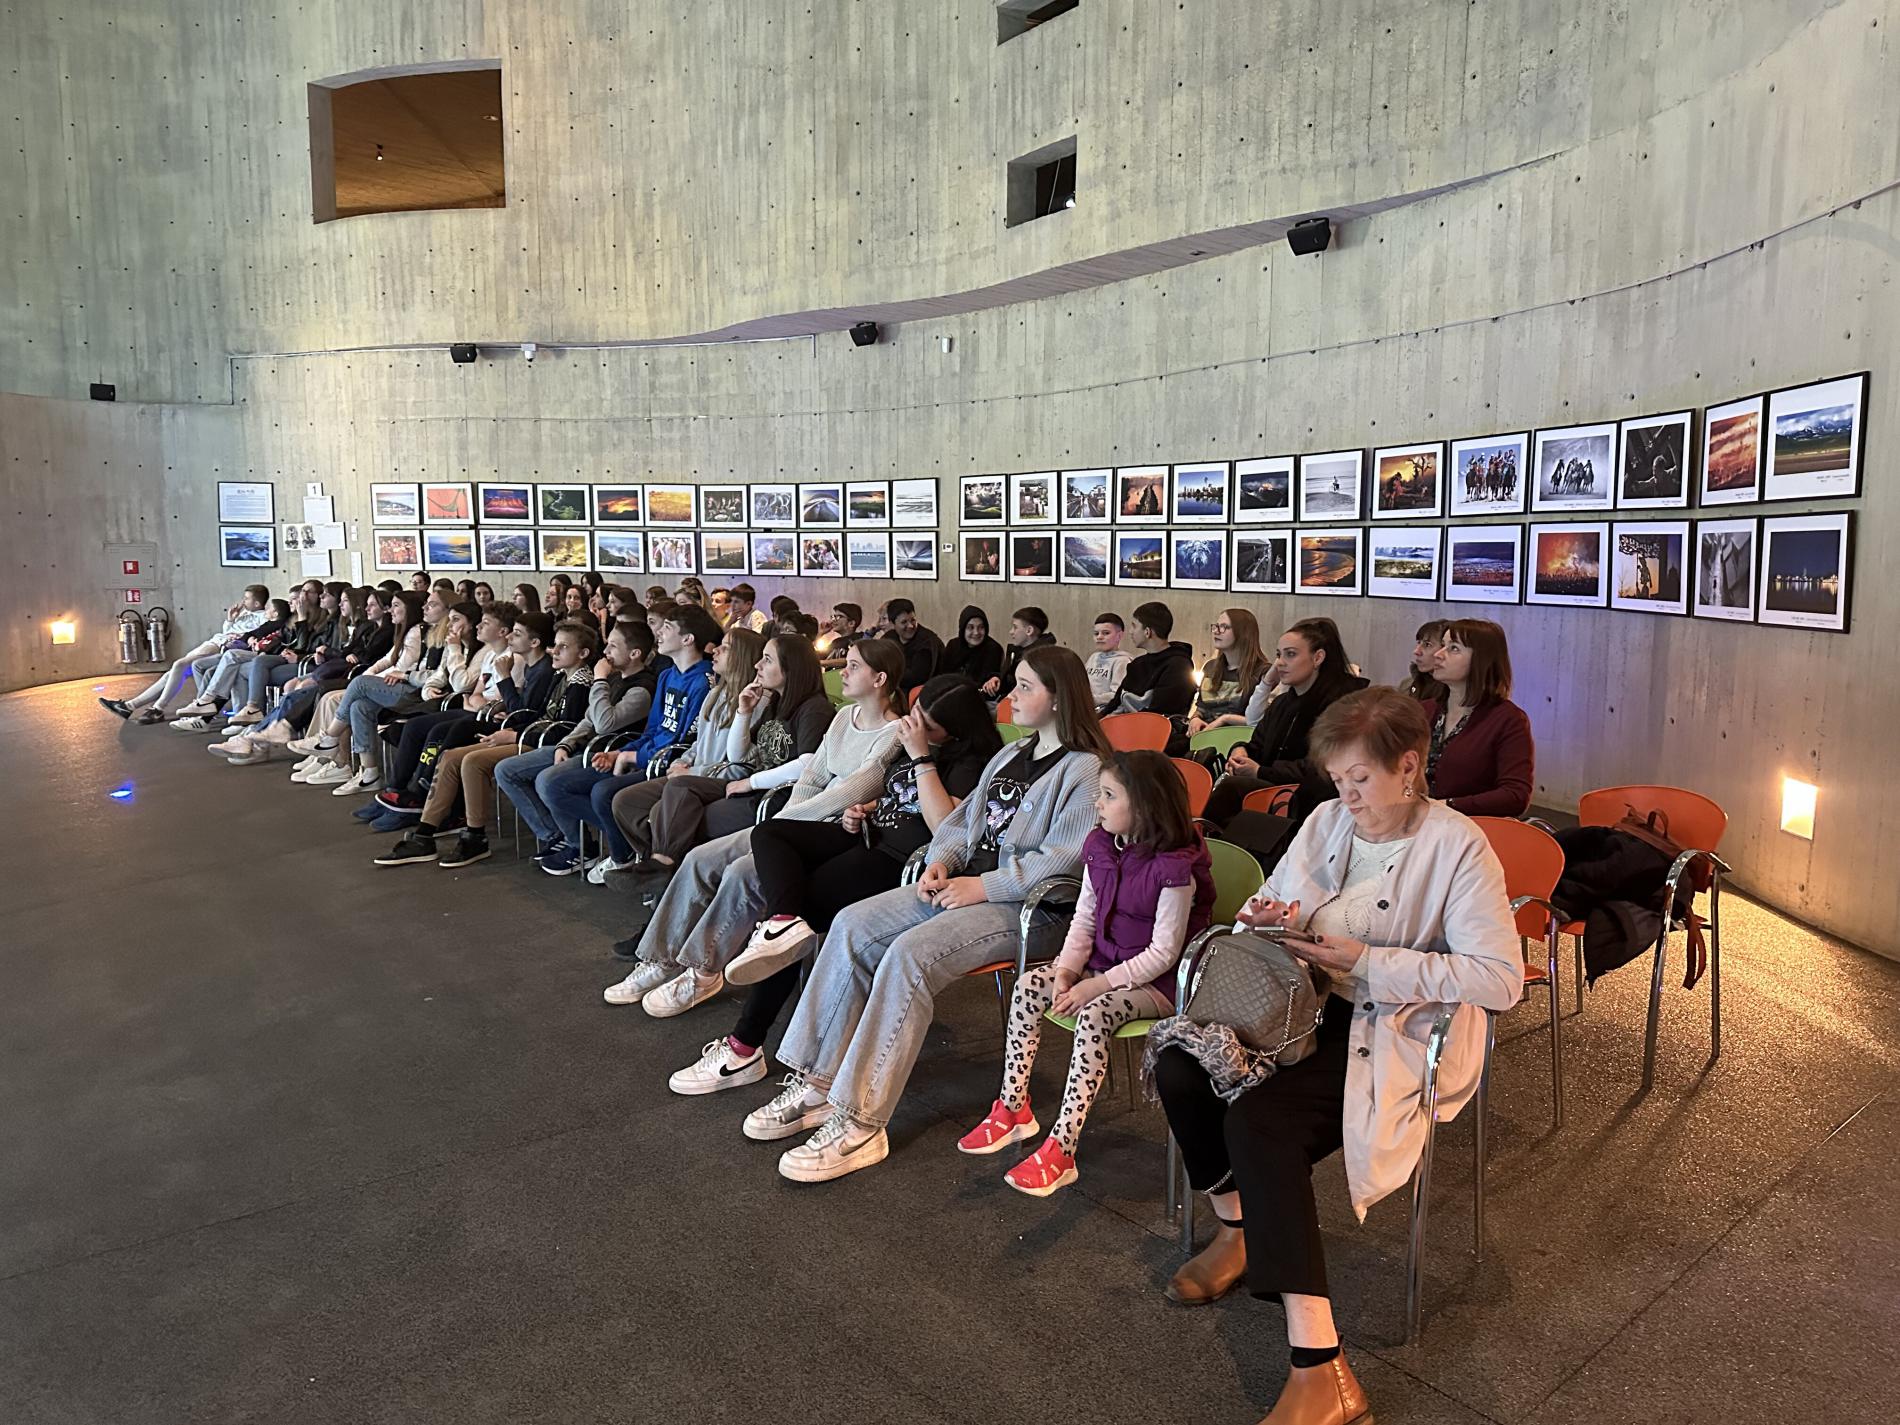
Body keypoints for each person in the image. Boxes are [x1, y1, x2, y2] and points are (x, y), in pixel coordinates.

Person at [1150, 688, 1521, 1424]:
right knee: (1180, 1067)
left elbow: (1500, 979)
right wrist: (1269, 919)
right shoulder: (1326, 821)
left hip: (1388, 1030)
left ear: (1408, 767)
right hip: (1299, 1010)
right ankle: (1240, 1228)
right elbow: (1273, 906)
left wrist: (1369, 961)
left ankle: (1323, 1368)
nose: (1345, 795)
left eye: (1359, 778)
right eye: (1337, 778)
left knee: (1260, 1124)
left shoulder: (1456, 846)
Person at [753, 645, 1112, 1182]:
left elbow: (1064, 860)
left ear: (1060, 699)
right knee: (852, 925)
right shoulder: (1013, 755)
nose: (1012, 697)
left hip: (1032, 909)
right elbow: (963, 824)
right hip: (970, 888)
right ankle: (819, 1084)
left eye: (1026, 687)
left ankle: (861, 1123)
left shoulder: (1086, 769)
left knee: (909, 955)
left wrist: (982, 885)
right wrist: (942, 861)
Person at [668, 675, 1003, 1095]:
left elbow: (944, 826)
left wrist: (921, 757)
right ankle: (783, 922)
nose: (914, 726)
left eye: (928, 724)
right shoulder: (916, 744)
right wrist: (865, 809)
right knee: (771, 833)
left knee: (806, 908)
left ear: (954, 731)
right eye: (916, 713)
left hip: (896, 860)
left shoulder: (968, 762)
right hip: (865, 834)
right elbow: (899, 796)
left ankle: (744, 1047)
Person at [603, 638, 907, 1016]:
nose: (842, 671)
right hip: (790, 822)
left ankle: (703, 970)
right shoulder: (845, 718)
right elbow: (812, 777)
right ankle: (660, 959)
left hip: (830, 833)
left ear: (879, 679)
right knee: (699, 858)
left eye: (854, 666)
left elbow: (850, 793)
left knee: (740, 872)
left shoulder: (894, 732)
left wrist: (783, 825)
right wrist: (782, 824)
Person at [959, 750, 1213, 1195]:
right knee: (1030, 986)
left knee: (1095, 1014)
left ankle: (1063, 1146)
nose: (1098, 803)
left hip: (1160, 983)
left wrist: (1095, 985)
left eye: (1109, 795)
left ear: (1145, 805)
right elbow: (1085, 918)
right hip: (1104, 964)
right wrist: (1066, 970)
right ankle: (1014, 1108)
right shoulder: (1102, 845)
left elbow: (1164, 953)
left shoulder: (1175, 869)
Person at [607, 631, 833, 881]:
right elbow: (739, 755)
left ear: (792, 668)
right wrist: (743, 712)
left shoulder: (814, 709)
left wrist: (750, 782)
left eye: (767, 660)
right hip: (747, 786)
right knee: (654, 800)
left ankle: (664, 870)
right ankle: (660, 868)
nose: (758, 665)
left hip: (770, 796)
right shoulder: (775, 703)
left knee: (676, 814)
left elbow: (807, 764)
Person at [376, 615, 596, 867]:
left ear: (583, 653)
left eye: (563, 647)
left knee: (472, 760)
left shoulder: (578, 681)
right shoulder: (560, 675)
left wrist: (513, 730)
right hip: (529, 733)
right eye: (555, 644)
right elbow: (534, 715)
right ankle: (424, 833)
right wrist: (510, 728)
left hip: (542, 741)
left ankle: (475, 835)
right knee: (450, 755)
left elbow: (565, 728)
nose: (554, 650)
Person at [533, 606, 719, 875]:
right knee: (557, 785)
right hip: (646, 754)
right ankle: (628, 845)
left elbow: (687, 743)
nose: (659, 632)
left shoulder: (703, 681)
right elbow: (652, 730)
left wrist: (632, 756)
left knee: (603, 793)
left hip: (668, 764)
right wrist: (620, 753)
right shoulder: (667, 675)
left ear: (687, 639)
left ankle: (625, 855)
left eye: (667, 627)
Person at [582, 626, 764, 881]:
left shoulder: (755, 702)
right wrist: (682, 762)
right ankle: (652, 865)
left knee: (658, 809)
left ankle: (663, 868)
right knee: (625, 801)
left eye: (726, 647)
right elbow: (698, 742)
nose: (715, 649)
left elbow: (739, 763)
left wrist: (691, 771)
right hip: (691, 771)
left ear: (742, 657)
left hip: (718, 778)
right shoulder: (716, 693)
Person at [493, 618, 657, 869]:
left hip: (609, 754)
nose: (606, 652)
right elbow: (588, 719)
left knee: (548, 782)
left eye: (613, 646)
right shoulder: (615, 678)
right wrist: (565, 745)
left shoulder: (642, 688)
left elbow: (604, 723)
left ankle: (589, 842)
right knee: (506, 769)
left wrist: (599, 680)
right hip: (584, 747)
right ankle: (556, 835)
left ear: (634, 654)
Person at [296, 590, 468, 794]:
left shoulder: (449, 638)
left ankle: (329, 738)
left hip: (422, 694)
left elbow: (438, 675)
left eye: (432, 605)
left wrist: (406, 676)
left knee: (359, 684)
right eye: (426, 604)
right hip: (415, 686)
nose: (425, 607)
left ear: (448, 609)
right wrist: (398, 675)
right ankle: (369, 773)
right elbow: (393, 662)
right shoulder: (431, 632)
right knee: (360, 706)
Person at [1202, 619, 1369, 827]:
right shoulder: (1282, 703)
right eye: (1278, 655)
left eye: (1290, 654)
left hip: (1311, 802)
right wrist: (1240, 751)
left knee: (1230, 792)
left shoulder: (1342, 706)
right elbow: (1257, 744)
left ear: (1318, 658)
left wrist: (1260, 772)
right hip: (1272, 793)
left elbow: (1322, 769)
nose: (1280, 663)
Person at [104, 585, 272, 724]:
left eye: (247, 598)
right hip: (214, 641)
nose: (243, 601)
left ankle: (157, 708)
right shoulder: (243, 614)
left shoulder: (262, 618)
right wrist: (230, 619)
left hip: (221, 647)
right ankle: (131, 706)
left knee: (180, 665)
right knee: (174, 672)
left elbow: (248, 636)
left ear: (257, 603)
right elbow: (227, 630)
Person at [1422, 619, 1534, 817]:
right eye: (1442, 645)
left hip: (1470, 827)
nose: (1438, 655)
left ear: (1481, 660)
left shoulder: (1508, 720)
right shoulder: (1424, 710)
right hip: (1416, 823)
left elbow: (1515, 795)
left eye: (1453, 648)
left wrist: (1446, 805)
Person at [169, 598, 294, 730]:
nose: (265, 610)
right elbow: (247, 635)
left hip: (257, 655)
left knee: (232, 659)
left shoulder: (279, 624)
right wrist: (249, 638)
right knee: (201, 666)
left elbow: (267, 644)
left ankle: (209, 703)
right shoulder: (268, 623)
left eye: (268, 608)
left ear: (275, 613)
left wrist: (251, 640)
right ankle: (202, 711)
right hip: (245, 651)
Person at [1185, 608, 1274, 737]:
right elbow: (1201, 709)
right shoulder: (1210, 667)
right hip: (1204, 734)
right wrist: (1195, 719)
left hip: (1236, 738)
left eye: (1224, 627)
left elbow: (1262, 721)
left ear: (1243, 633)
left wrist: (1225, 719)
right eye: (1216, 626)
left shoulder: (1263, 672)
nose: (1216, 631)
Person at [1100, 602, 1195, 718]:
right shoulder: (1137, 664)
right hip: (1128, 723)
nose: (1130, 631)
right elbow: (1116, 702)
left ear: (1147, 632)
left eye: (1134, 626)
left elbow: (1160, 714)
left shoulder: (1178, 666)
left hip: (1154, 727)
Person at [990, 607, 1057, 701]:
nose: (1011, 632)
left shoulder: (1039, 660)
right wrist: (998, 679)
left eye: (1015, 627)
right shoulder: (1016, 652)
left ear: (1029, 630)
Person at [883, 597, 943, 693]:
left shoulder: (927, 643)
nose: (910, 626)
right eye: (904, 622)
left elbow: (915, 678)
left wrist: (887, 673)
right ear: (892, 624)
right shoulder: (888, 639)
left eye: (913, 620)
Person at [937, 606, 1003, 688]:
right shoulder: (953, 645)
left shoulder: (993, 649)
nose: (976, 632)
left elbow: (991, 679)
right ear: (963, 629)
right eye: (970, 627)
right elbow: (942, 676)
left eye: (981, 627)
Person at [1084, 612, 1132, 713]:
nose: (1099, 637)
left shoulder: (1122, 661)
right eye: (1096, 633)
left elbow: (1116, 694)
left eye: (1106, 633)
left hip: (1108, 713)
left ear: (1119, 636)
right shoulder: (1093, 657)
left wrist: (1090, 700)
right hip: (1087, 709)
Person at [1402, 619, 1448, 701]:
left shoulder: (1455, 691)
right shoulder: (1407, 685)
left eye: (1427, 645)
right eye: (1418, 642)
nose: (1416, 651)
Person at [818, 602, 866, 667]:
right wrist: (820, 633)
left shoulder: (860, 638)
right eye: (833, 617)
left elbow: (852, 659)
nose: (833, 620)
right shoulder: (835, 642)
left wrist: (823, 663)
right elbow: (813, 656)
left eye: (838, 617)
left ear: (851, 623)